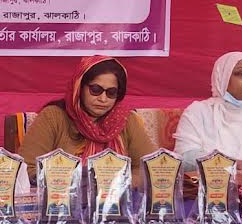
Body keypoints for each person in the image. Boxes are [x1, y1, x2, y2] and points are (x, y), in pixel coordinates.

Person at [18, 56, 156, 182]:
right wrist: (79, 183)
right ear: (79, 87)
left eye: (111, 92)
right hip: (62, 198)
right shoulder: (53, 117)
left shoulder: (126, 120)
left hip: (115, 198)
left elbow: (149, 167)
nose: (103, 99)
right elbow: (27, 169)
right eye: (95, 90)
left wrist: (114, 183)